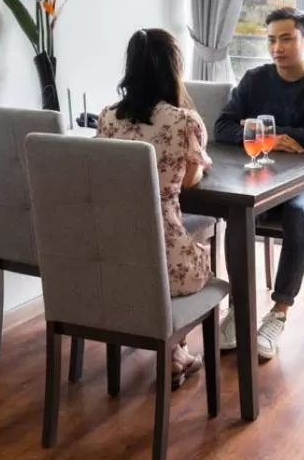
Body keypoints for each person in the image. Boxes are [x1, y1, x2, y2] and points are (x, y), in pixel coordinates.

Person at [214, 6, 304, 360]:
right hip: (263, 177)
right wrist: (274, 137)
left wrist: (262, 131)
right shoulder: (255, 79)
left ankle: (278, 313)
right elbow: (221, 128)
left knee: (300, 217)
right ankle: (239, 309)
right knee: (238, 214)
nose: (277, 48)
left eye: (286, 39)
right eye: (271, 40)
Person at [95, 28, 213, 388]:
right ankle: (176, 350)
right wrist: (202, 165)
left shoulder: (107, 117)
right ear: (173, 69)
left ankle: (174, 353)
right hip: (166, 261)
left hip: (109, 256)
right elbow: (189, 181)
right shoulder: (184, 122)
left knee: (141, 273)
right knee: (201, 261)